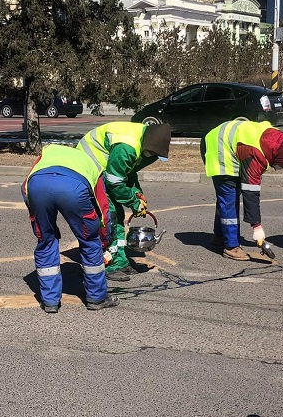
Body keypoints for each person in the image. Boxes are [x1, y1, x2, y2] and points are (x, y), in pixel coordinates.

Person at [22, 144, 118, 313]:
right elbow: (103, 209)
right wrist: (104, 239)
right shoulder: (93, 164)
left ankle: (50, 301)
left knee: (46, 240)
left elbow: (25, 186)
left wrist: (38, 223)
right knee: (89, 241)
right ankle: (96, 297)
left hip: (37, 186)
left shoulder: (48, 151)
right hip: (73, 188)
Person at [76, 121, 172, 282]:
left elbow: (128, 172)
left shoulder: (141, 140)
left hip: (106, 171)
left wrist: (137, 194)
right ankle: (109, 264)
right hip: (90, 170)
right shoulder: (126, 147)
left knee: (117, 216)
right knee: (110, 217)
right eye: (152, 154)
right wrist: (133, 203)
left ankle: (120, 260)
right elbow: (114, 182)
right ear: (149, 146)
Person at [202, 119, 283, 260]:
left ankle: (220, 236)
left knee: (226, 199)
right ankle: (231, 247)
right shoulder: (256, 154)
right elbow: (251, 194)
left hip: (227, 143)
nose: (277, 168)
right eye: (281, 165)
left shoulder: (276, 139)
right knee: (229, 198)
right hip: (218, 149)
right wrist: (257, 227)